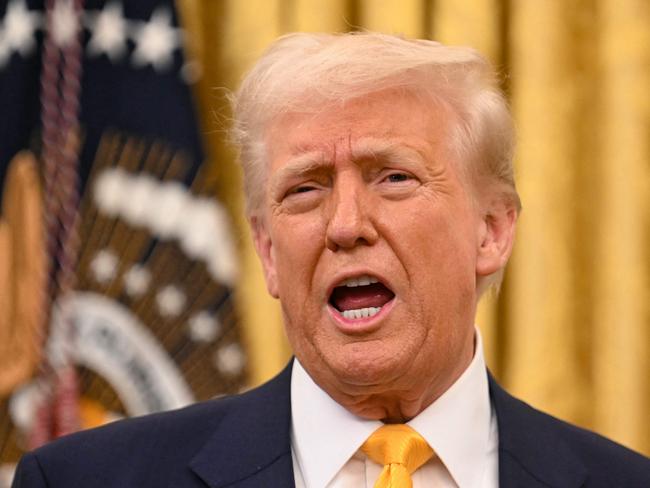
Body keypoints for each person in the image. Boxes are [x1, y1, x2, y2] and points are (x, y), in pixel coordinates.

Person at [12, 32, 650, 488]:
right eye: (305, 188)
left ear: (491, 231)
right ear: (266, 250)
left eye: (394, 178)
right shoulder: (84, 478)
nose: (345, 226)